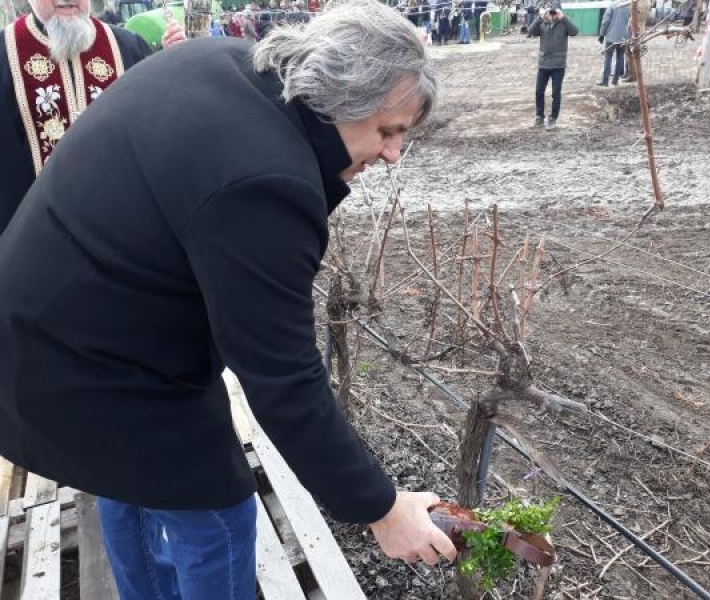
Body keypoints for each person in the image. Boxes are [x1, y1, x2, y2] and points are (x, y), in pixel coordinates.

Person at [0, 0, 457, 597]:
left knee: (127, 474)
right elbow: (282, 375)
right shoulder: (266, 181)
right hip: (87, 359)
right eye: (388, 130)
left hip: (62, 324)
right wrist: (382, 508)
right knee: (218, 517)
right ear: (341, 101)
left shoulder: (226, 62)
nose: (394, 154)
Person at [0, 0, 185, 234]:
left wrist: (176, 64)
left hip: (125, 234)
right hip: (37, 240)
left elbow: (161, 126)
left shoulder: (128, 47)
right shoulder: (4, 52)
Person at [527, 3, 577, 130]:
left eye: (555, 12)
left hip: (558, 65)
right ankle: (539, 117)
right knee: (539, 91)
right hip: (543, 64)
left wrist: (563, 18)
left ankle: (553, 118)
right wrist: (540, 17)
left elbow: (574, 32)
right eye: (551, 12)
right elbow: (529, 32)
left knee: (556, 93)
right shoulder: (543, 24)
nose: (553, 15)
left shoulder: (563, 24)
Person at [597, 0, 631, 86]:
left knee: (608, 57)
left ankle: (605, 81)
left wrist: (601, 34)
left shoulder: (612, 5)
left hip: (611, 36)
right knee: (620, 57)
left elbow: (605, 21)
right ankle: (615, 80)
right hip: (624, 37)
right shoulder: (630, 7)